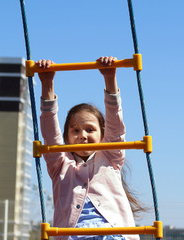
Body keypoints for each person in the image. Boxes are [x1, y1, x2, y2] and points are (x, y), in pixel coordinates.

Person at [37, 57, 141, 240]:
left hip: (112, 234)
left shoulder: (110, 158)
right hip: (74, 236)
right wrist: (47, 84)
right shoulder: (60, 165)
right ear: (67, 139)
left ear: (102, 134)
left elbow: (116, 127)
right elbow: (50, 135)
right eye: (75, 130)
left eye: (90, 129)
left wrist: (110, 79)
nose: (83, 135)